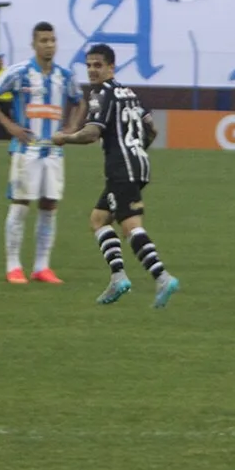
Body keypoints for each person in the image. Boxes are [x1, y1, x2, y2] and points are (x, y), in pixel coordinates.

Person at [51, 43, 180, 309]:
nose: (92, 71)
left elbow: (92, 133)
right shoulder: (129, 93)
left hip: (122, 168)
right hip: (138, 164)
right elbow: (152, 129)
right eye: (88, 65)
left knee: (131, 227)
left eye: (98, 65)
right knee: (99, 219)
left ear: (111, 66)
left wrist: (65, 138)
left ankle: (162, 277)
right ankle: (118, 277)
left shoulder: (101, 94)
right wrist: (137, 150)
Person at [0, 22, 84, 286]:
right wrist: (8, 124)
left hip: (54, 152)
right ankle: (14, 266)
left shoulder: (65, 75)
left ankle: (41, 267)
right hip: (27, 150)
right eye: (44, 40)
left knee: (49, 206)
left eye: (52, 40)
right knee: (21, 205)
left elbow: (79, 101)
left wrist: (71, 127)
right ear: (34, 44)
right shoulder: (20, 72)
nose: (49, 45)